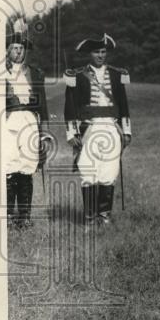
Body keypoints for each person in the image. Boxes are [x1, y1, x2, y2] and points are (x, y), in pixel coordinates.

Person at [64, 34, 130, 226]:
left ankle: (104, 216)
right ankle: (90, 217)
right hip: (88, 129)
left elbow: (123, 105)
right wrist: (72, 133)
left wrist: (126, 131)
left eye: (103, 51)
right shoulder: (77, 76)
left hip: (111, 127)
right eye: (96, 52)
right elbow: (70, 107)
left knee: (109, 172)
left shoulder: (117, 75)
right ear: (89, 54)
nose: (100, 55)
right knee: (88, 171)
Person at [3, 19, 50, 229]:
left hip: (30, 123)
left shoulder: (35, 73)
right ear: (7, 50)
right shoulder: (0, 74)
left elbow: (43, 106)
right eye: (14, 48)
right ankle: (8, 215)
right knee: (9, 166)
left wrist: (45, 133)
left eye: (21, 48)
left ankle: (24, 216)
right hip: (8, 123)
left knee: (27, 167)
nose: (18, 52)